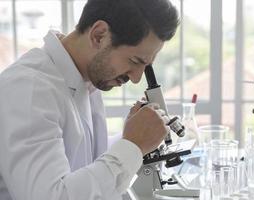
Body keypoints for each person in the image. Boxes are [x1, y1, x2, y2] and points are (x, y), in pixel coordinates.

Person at [0, 0, 179, 199]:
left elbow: (81, 163)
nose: (136, 78)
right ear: (99, 35)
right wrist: (133, 146)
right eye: (135, 61)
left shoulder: (86, 81)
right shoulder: (30, 89)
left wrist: (134, 136)